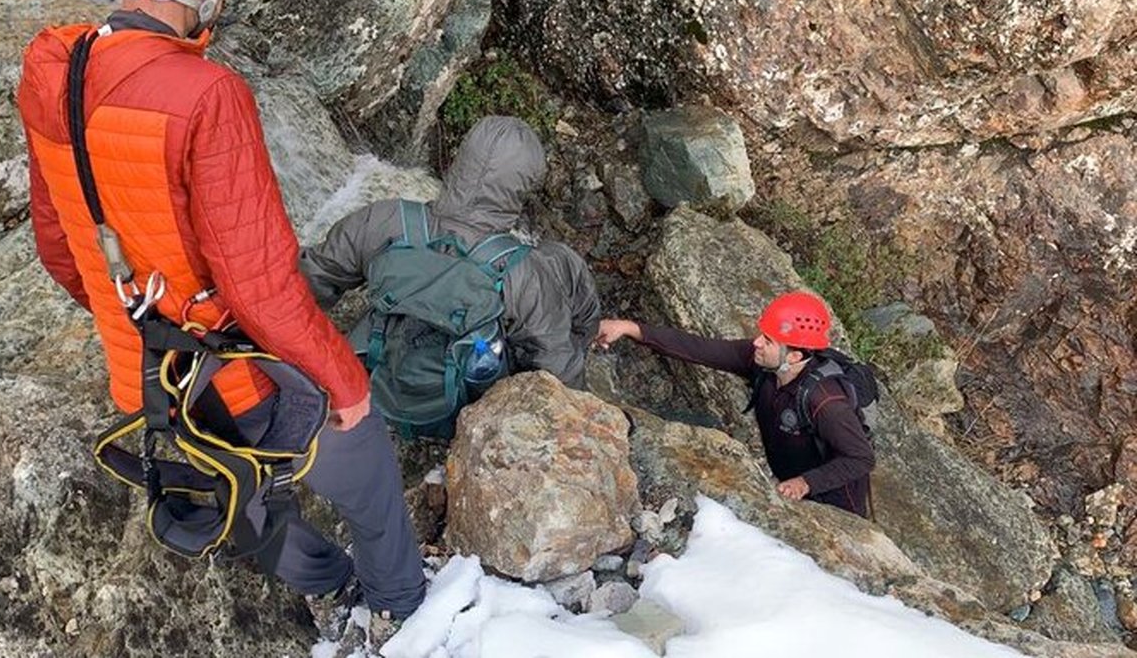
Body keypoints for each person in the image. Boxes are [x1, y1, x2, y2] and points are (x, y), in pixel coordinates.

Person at [16, 0, 424, 632]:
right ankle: (402, 605)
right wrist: (344, 385)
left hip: (143, 375)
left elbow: (60, 246)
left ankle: (330, 586)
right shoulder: (208, 95)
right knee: (361, 452)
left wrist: (131, 312)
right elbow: (260, 285)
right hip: (236, 384)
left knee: (248, 497)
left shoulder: (50, 68)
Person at [300, 115, 601, 433]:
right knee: (560, 262)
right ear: (523, 186)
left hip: (364, 390)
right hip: (462, 417)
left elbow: (310, 280)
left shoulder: (384, 219)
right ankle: (593, 334)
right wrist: (590, 425)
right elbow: (556, 368)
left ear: (461, 162)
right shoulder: (524, 272)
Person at [595, 291, 875, 517]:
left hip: (835, 501)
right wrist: (630, 328)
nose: (756, 342)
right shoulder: (764, 363)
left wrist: (806, 483)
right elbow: (699, 349)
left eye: (768, 340)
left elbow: (860, 457)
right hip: (791, 486)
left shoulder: (826, 401)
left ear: (793, 356)